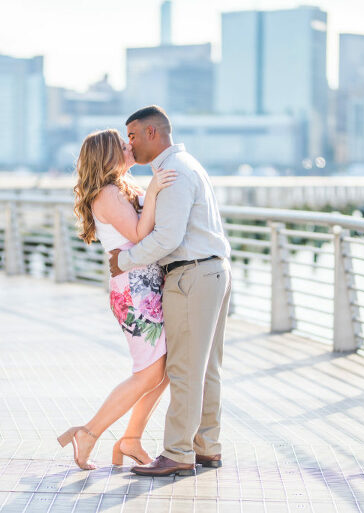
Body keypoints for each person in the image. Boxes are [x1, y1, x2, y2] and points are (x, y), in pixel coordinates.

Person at [108, 105, 232, 477]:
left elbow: (168, 237)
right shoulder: (185, 165)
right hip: (211, 271)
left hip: (190, 275)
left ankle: (178, 452)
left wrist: (125, 261)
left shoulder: (173, 172)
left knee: (184, 369)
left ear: (152, 132)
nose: (130, 144)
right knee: (207, 368)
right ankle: (206, 447)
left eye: (132, 136)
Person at [57, 128, 177, 470]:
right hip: (134, 291)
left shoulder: (121, 187)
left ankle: (131, 440)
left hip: (144, 285)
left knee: (162, 371)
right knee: (148, 373)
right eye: (124, 146)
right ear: (109, 156)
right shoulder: (107, 194)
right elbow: (139, 233)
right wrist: (153, 190)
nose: (131, 147)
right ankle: (89, 433)